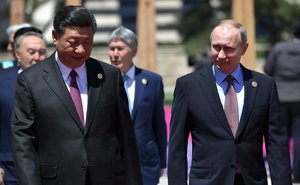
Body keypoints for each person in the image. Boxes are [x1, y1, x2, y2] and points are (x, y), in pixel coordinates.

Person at [11, 5, 142, 185]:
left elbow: (126, 137)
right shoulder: (31, 80)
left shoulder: (109, 76)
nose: (80, 50)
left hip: (107, 178)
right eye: (73, 42)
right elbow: (23, 141)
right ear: (55, 37)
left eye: (87, 42)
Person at [168, 19, 292, 185]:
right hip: (207, 181)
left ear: (244, 48)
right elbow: (177, 147)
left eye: (228, 49)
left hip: (251, 180)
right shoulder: (188, 86)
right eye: (216, 47)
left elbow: (276, 144)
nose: (220, 55)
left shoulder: (264, 86)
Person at [107, 26, 167, 185]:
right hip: (113, 162)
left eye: (120, 48)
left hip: (146, 162)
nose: (115, 54)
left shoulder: (152, 81)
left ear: (134, 51)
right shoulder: (102, 82)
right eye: (112, 49)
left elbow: (159, 124)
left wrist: (162, 161)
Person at [0, 26, 47, 185]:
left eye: (42, 52)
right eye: (31, 52)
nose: (37, 57)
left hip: (49, 171)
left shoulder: (59, 82)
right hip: (9, 171)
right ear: (18, 55)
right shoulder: (2, 81)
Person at [264, 21, 300, 183]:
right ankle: (298, 174)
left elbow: (267, 68)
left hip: (280, 96)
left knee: (280, 137)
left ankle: (282, 174)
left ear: (293, 33)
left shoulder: (279, 48)